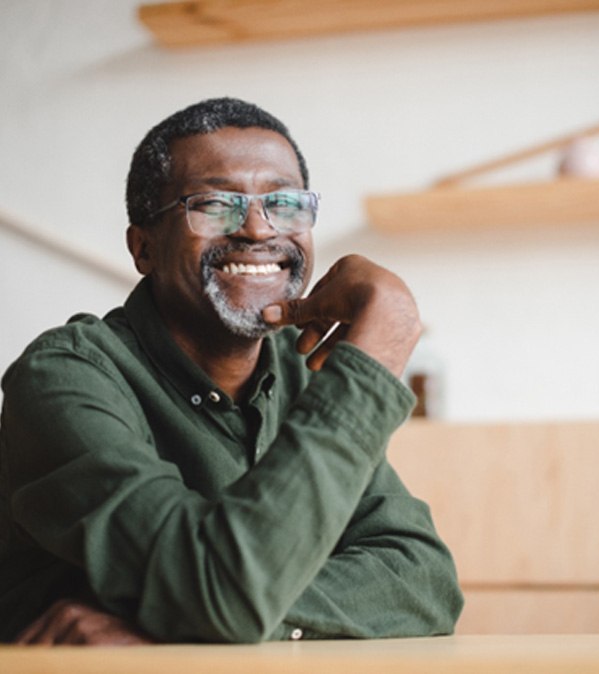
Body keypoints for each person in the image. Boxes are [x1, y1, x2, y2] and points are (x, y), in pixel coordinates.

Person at [0, 98, 463, 645]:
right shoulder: (64, 376)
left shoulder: (303, 367)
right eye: (215, 204)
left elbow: (423, 581)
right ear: (143, 247)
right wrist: (374, 354)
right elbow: (220, 593)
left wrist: (188, 618)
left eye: (285, 203)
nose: (257, 229)